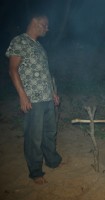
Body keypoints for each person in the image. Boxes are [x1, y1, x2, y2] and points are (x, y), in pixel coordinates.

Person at [6, 13, 62, 184]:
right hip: (33, 99)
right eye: (45, 24)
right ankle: (36, 171)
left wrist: (52, 92)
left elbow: (45, 73)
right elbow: (13, 70)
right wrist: (23, 96)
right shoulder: (20, 41)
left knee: (50, 133)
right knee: (34, 137)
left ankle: (52, 160)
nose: (47, 28)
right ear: (35, 22)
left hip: (46, 97)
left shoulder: (39, 46)